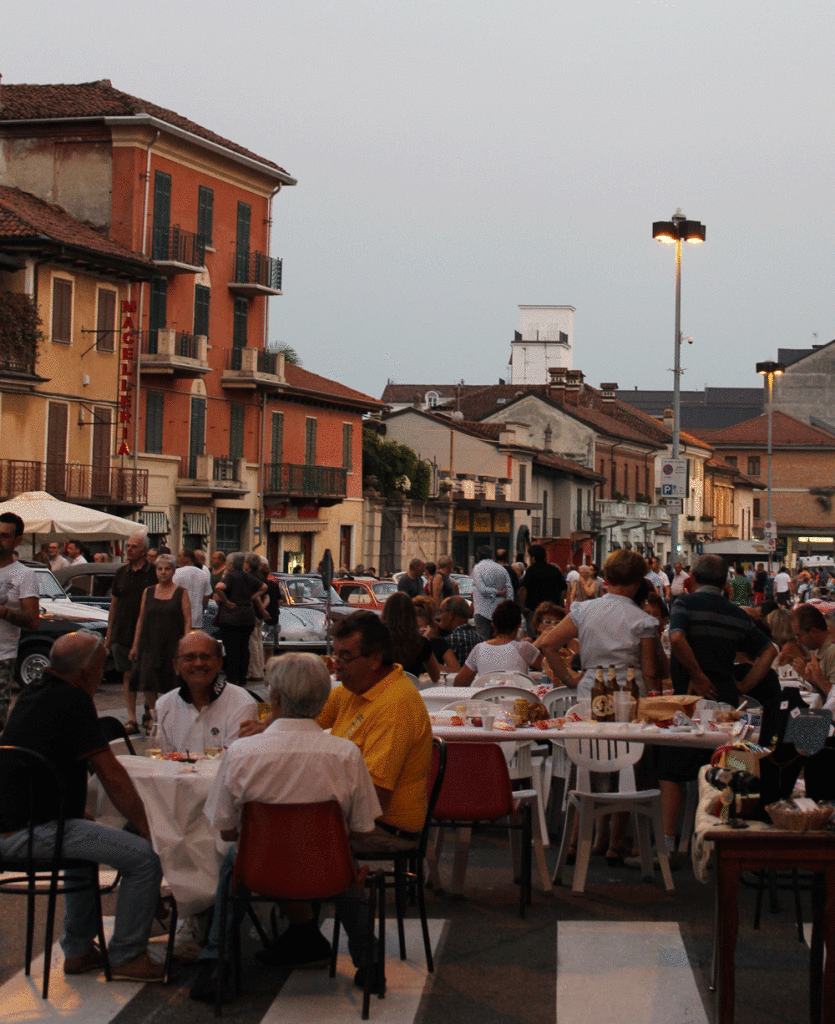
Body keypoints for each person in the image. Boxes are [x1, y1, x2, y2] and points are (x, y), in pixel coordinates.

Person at [190, 652, 383, 1002]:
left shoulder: (242, 753)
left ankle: (214, 963)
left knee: (231, 864)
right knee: (347, 866)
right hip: (327, 868)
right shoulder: (346, 754)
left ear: (275, 698)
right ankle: (370, 963)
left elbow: (227, 831)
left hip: (260, 868)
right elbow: (361, 828)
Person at [0, 632, 164, 981]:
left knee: (87, 838)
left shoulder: (32, 694)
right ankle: (127, 956)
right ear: (88, 672)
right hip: (32, 833)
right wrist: (147, 827)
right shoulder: (74, 700)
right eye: (102, 666)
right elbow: (110, 773)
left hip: (17, 825)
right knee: (145, 858)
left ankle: (77, 949)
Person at [661, 554, 777, 856]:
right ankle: (721, 835)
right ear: (726, 583)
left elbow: (676, 638)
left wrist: (697, 675)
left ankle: (668, 844)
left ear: (691, 580)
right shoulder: (737, 614)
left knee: (672, 767)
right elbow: (769, 651)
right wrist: (744, 686)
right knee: (725, 762)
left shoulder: (683, 604)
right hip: (725, 698)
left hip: (688, 698)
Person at [318, 612, 433, 852]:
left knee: (281, 836)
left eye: (345, 656)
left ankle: (344, 889)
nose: (336, 663)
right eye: (335, 654)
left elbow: (373, 799)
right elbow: (301, 715)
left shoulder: (395, 705)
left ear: (374, 660)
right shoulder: (355, 688)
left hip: (384, 829)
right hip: (352, 816)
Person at [537, 550, 659, 699]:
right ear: (639, 580)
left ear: (607, 577)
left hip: (591, 691)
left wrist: (568, 679)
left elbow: (548, 644)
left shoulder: (583, 610)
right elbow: (650, 673)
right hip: (630, 694)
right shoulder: (643, 620)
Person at [156, 631, 258, 754]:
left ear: (219, 663)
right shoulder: (164, 705)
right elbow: (163, 760)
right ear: (176, 666)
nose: (198, 663)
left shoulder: (242, 702)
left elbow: (234, 762)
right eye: (189, 657)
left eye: (205, 657)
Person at [106, 532, 158, 736]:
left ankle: (150, 714)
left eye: (133, 546)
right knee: (127, 674)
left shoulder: (153, 573)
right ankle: (131, 718)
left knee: (146, 675)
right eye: (127, 546)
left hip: (147, 633)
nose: (129, 549)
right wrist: (110, 632)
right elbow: (114, 603)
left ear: (143, 550)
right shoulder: (121, 573)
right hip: (122, 630)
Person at [130, 554, 190, 702]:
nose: (163, 572)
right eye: (160, 569)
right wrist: (135, 645)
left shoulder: (181, 592)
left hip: (172, 644)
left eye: (167, 569)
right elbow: (141, 618)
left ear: (173, 571)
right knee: (148, 682)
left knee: (172, 683)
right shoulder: (148, 591)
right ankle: (153, 714)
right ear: (156, 571)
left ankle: (170, 714)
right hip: (149, 644)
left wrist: (186, 644)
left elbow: (188, 620)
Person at [0, 512, 39, 729]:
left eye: (5, 536)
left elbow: (33, 621)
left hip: (2, 657)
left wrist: (3, 612)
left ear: (18, 541)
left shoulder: (24, 575)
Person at [454, 599, 542, 686]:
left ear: (493, 625)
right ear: (519, 625)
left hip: (486, 699)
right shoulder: (525, 648)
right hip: (518, 699)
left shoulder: (479, 649)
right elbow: (550, 670)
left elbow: (459, 683)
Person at [213, 552, 267, 687]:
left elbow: (219, 588)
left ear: (231, 564)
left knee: (232, 648)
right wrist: (250, 597)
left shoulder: (230, 576)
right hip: (247, 616)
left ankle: (232, 677)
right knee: (244, 648)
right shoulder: (248, 576)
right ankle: (242, 677)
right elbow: (264, 587)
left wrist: (226, 601)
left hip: (231, 617)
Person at [381, 591, 440, 682]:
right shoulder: (421, 643)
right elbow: (436, 677)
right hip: (410, 692)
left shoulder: (377, 641)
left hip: (381, 693)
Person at [791, 605, 835, 708]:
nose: (799, 641)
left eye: (800, 636)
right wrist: (810, 678)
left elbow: (833, 698)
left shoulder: (832, 651)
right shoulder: (820, 649)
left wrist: (816, 678)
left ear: (814, 631)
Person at [519, 544, 567, 631]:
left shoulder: (531, 571)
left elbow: (523, 590)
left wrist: (523, 608)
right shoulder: (554, 570)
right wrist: (560, 605)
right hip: (552, 611)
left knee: (534, 636)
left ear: (533, 557)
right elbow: (563, 590)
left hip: (534, 610)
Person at [471, 545, 513, 640]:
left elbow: (482, 589)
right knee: (499, 640)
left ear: (478, 556)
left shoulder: (477, 568)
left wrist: (496, 592)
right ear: (492, 556)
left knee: (483, 641)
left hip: (482, 611)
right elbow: (509, 590)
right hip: (499, 611)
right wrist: (509, 606)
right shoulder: (502, 569)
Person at [413, 597, 460, 673]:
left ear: (429, 627)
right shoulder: (404, 644)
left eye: (421, 627)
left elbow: (456, 671)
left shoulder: (439, 643)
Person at [174, 549, 213, 629]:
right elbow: (206, 597)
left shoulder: (176, 573)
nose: (177, 558)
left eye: (180, 556)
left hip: (178, 618)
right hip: (197, 619)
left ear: (187, 558)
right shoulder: (203, 574)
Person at [437, 594, 480, 667]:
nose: (439, 617)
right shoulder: (479, 638)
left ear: (451, 614)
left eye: (441, 612)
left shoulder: (450, 640)